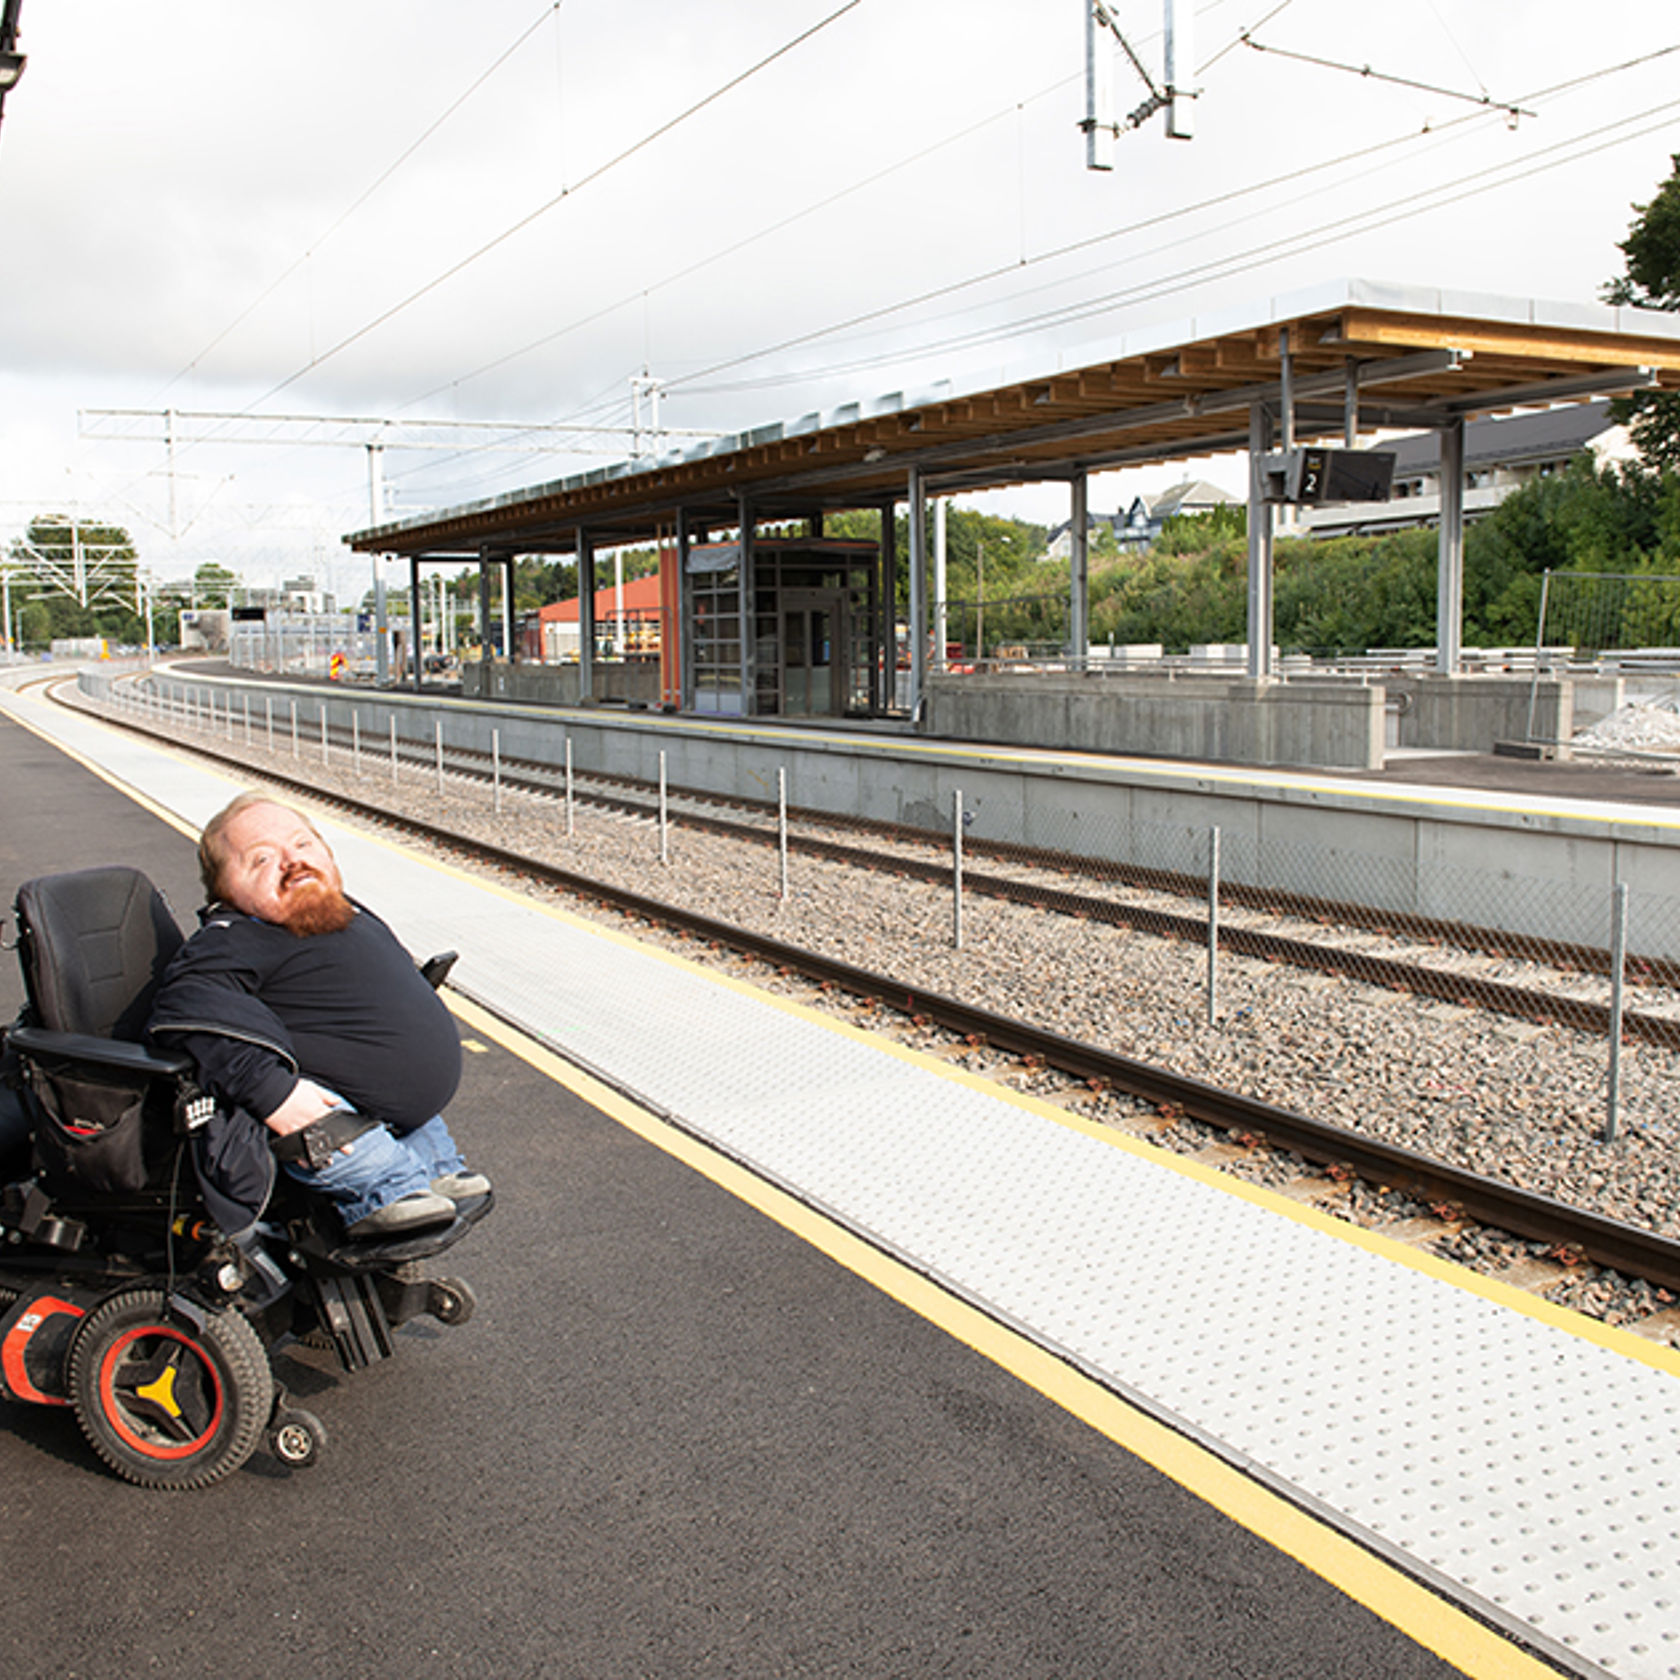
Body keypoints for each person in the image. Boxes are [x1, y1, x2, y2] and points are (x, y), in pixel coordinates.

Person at [148, 792, 488, 1240]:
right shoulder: (232, 939)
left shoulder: (341, 911)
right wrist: (275, 1095)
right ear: (224, 890)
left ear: (327, 852)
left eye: (303, 845)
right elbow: (186, 1010)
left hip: (394, 1109)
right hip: (329, 1117)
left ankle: (432, 1168)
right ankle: (384, 1189)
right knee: (329, 1115)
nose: (293, 862)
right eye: (262, 859)